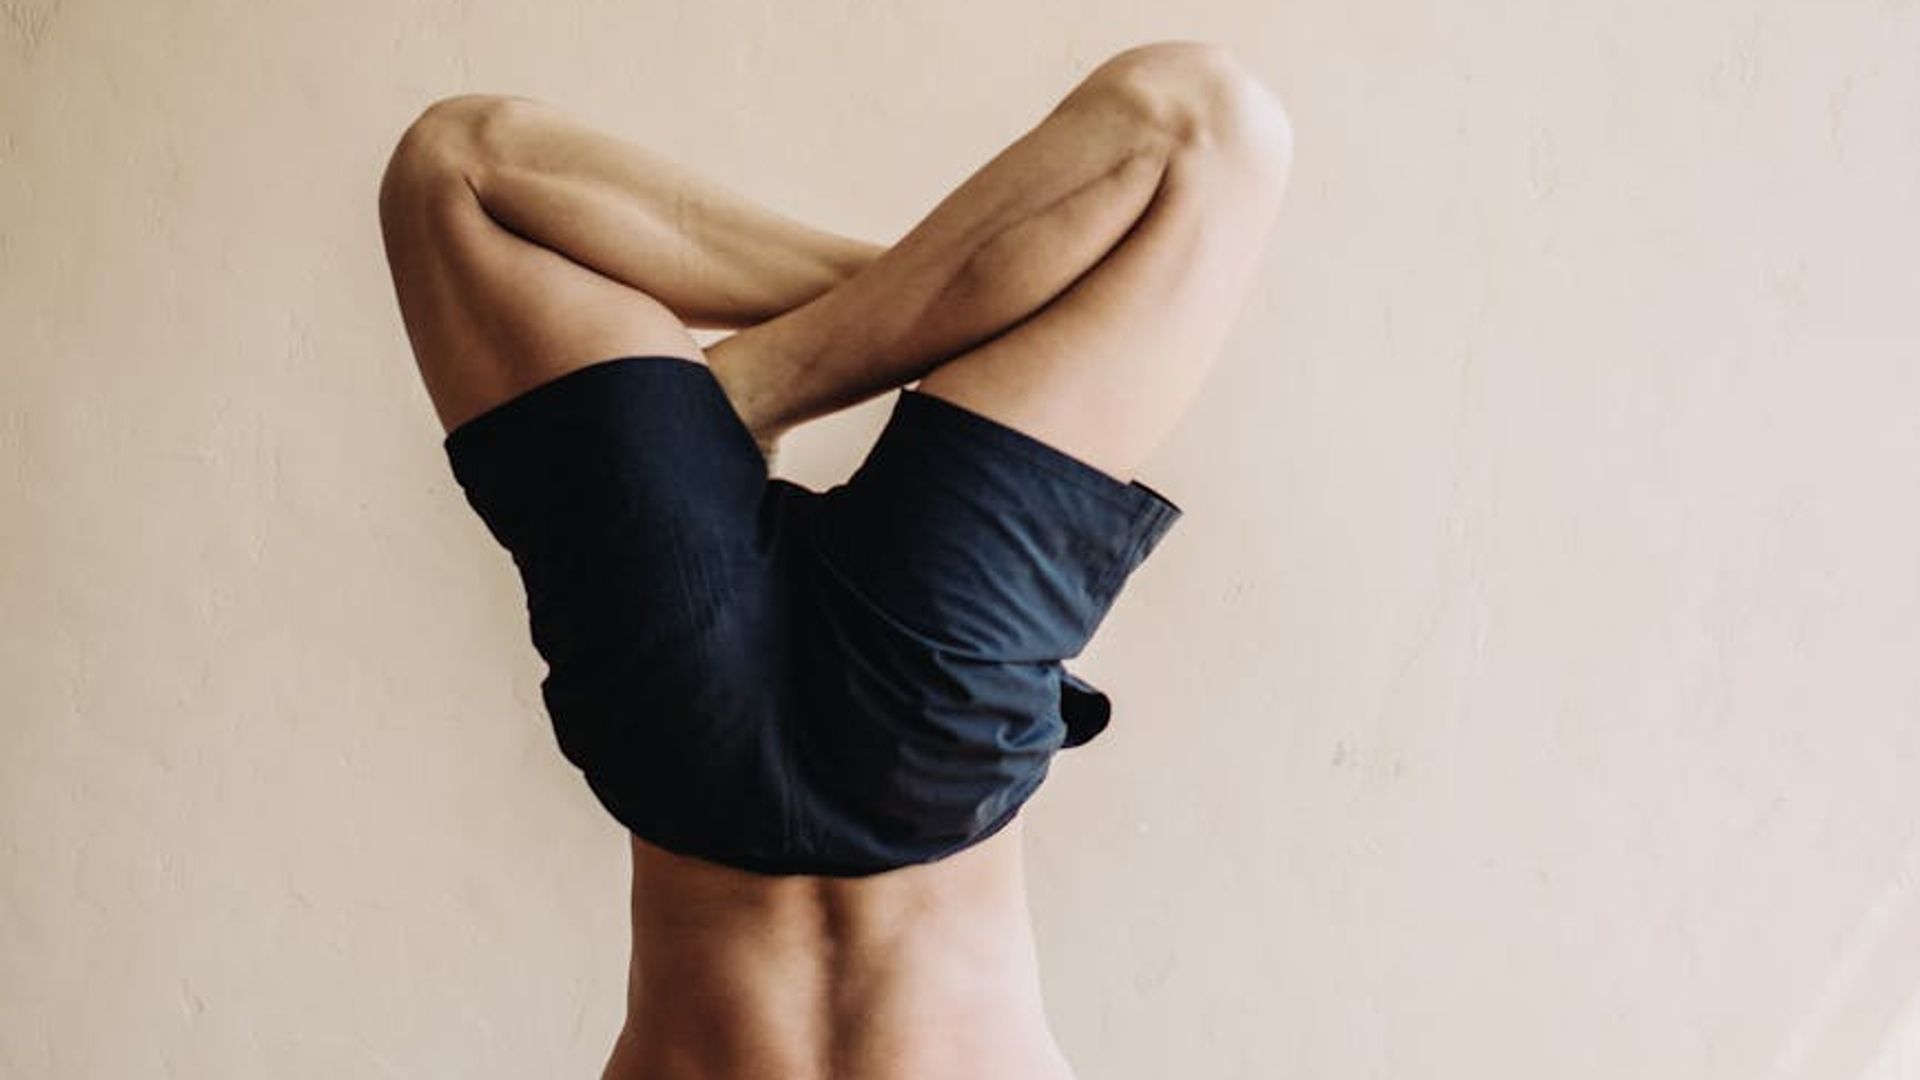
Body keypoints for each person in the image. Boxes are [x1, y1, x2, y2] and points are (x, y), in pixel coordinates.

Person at [377, 38, 1292, 1080]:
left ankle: (837, 347)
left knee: (454, 169)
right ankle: (889, 322)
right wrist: (968, 295)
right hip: (891, 730)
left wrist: (1017, 290)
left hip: (719, 731)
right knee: (1202, 125)